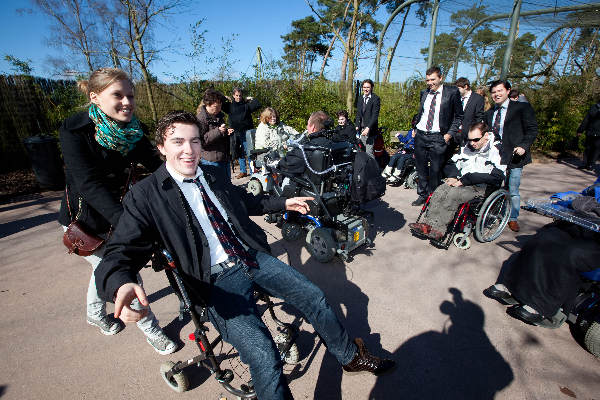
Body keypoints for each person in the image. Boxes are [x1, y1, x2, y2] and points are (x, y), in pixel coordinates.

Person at [94, 110, 395, 400]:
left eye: (194, 141)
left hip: (248, 256)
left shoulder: (212, 174)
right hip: (213, 282)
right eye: (178, 142)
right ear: (161, 147)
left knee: (314, 296)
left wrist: (284, 203)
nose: (189, 150)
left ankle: (349, 356)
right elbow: (121, 249)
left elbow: (246, 201)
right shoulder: (146, 194)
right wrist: (120, 282)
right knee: (264, 354)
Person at [58, 67, 176, 355]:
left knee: (104, 268)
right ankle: (153, 332)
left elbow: (156, 165)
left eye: (131, 96)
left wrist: (183, 187)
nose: (127, 102)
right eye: (118, 95)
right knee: (127, 273)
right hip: (86, 221)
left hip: (118, 215)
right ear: (95, 97)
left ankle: (95, 315)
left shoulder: (132, 130)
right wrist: (128, 224)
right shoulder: (75, 132)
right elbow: (89, 184)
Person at [484, 179, 600, 324]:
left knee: (570, 253)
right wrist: (562, 198)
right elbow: (582, 196)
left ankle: (540, 306)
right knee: (543, 238)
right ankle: (513, 287)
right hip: (583, 225)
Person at [408, 122, 505, 240]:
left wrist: (467, 179)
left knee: (453, 195)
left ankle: (439, 229)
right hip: (461, 181)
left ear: (486, 136)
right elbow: (450, 162)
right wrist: (454, 176)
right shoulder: (467, 148)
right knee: (440, 190)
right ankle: (428, 224)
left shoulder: (496, 150)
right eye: (470, 140)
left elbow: (498, 176)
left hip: (480, 187)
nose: (472, 143)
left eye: (475, 140)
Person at [485, 80, 539, 232]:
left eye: (499, 91)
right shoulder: (489, 113)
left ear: (508, 91)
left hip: (515, 155)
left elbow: (532, 129)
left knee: (512, 188)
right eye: (494, 92)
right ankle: (492, 213)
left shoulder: (521, 108)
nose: (496, 94)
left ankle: (512, 217)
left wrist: (524, 146)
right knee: (493, 186)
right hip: (495, 155)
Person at [412, 66, 464, 206]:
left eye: (433, 79)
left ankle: (432, 197)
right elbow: (421, 112)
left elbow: (459, 116)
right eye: (428, 80)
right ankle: (422, 195)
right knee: (421, 168)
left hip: (438, 137)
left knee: (435, 170)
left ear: (441, 78)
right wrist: (415, 127)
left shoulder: (452, 92)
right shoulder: (424, 93)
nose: (430, 83)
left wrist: (449, 134)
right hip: (421, 135)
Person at [222, 88, 261, 179]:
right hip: (235, 133)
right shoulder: (229, 106)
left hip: (246, 133)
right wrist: (225, 98)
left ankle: (252, 171)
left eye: (240, 95)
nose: (238, 97)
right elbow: (220, 103)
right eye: (236, 95)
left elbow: (258, 104)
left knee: (249, 152)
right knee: (239, 153)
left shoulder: (246, 106)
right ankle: (243, 171)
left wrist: (251, 98)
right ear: (233, 96)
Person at [196, 89, 234, 179]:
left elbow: (220, 134)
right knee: (217, 189)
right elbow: (200, 141)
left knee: (228, 186)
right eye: (216, 106)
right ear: (208, 104)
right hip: (211, 161)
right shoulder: (201, 119)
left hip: (224, 158)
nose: (219, 109)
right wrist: (218, 131)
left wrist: (226, 132)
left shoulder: (219, 115)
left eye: (220, 105)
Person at [455, 77, 484, 147]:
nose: (456, 91)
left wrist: (473, 133)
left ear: (465, 87)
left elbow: (479, 117)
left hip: (468, 134)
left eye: (458, 88)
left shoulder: (478, 98)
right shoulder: (456, 98)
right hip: (454, 133)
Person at [355, 79, 381, 158]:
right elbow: (358, 113)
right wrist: (357, 124)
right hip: (361, 130)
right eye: (364, 87)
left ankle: (373, 169)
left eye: (368, 87)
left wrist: (368, 128)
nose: (366, 89)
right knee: (361, 152)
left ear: (372, 88)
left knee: (369, 152)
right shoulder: (360, 98)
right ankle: (364, 169)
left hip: (370, 130)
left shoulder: (375, 99)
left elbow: (375, 115)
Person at [576, 101, 600, 171]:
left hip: (597, 134)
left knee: (595, 149)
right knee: (589, 148)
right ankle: (587, 164)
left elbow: (586, 119)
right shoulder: (593, 107)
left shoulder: (594, 107)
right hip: (590, 132)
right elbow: (586, 119)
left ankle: (590, 165)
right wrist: (580, 130)